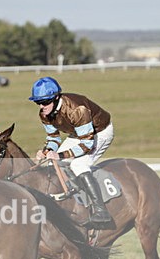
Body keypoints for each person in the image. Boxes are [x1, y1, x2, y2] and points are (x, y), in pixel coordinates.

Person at [29, 76, 114, 227]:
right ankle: (73, 194)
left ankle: (101, 211)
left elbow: (87, 144)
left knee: (78, 165)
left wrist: (60, 154)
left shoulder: (77, 109)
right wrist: (47, 151)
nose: (42, 106)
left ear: (56, 98)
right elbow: (53, 138)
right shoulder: (44, 114)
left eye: (45, 102)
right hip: (78, 134)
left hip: (99, 132)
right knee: (52, 162)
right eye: (38, 102)